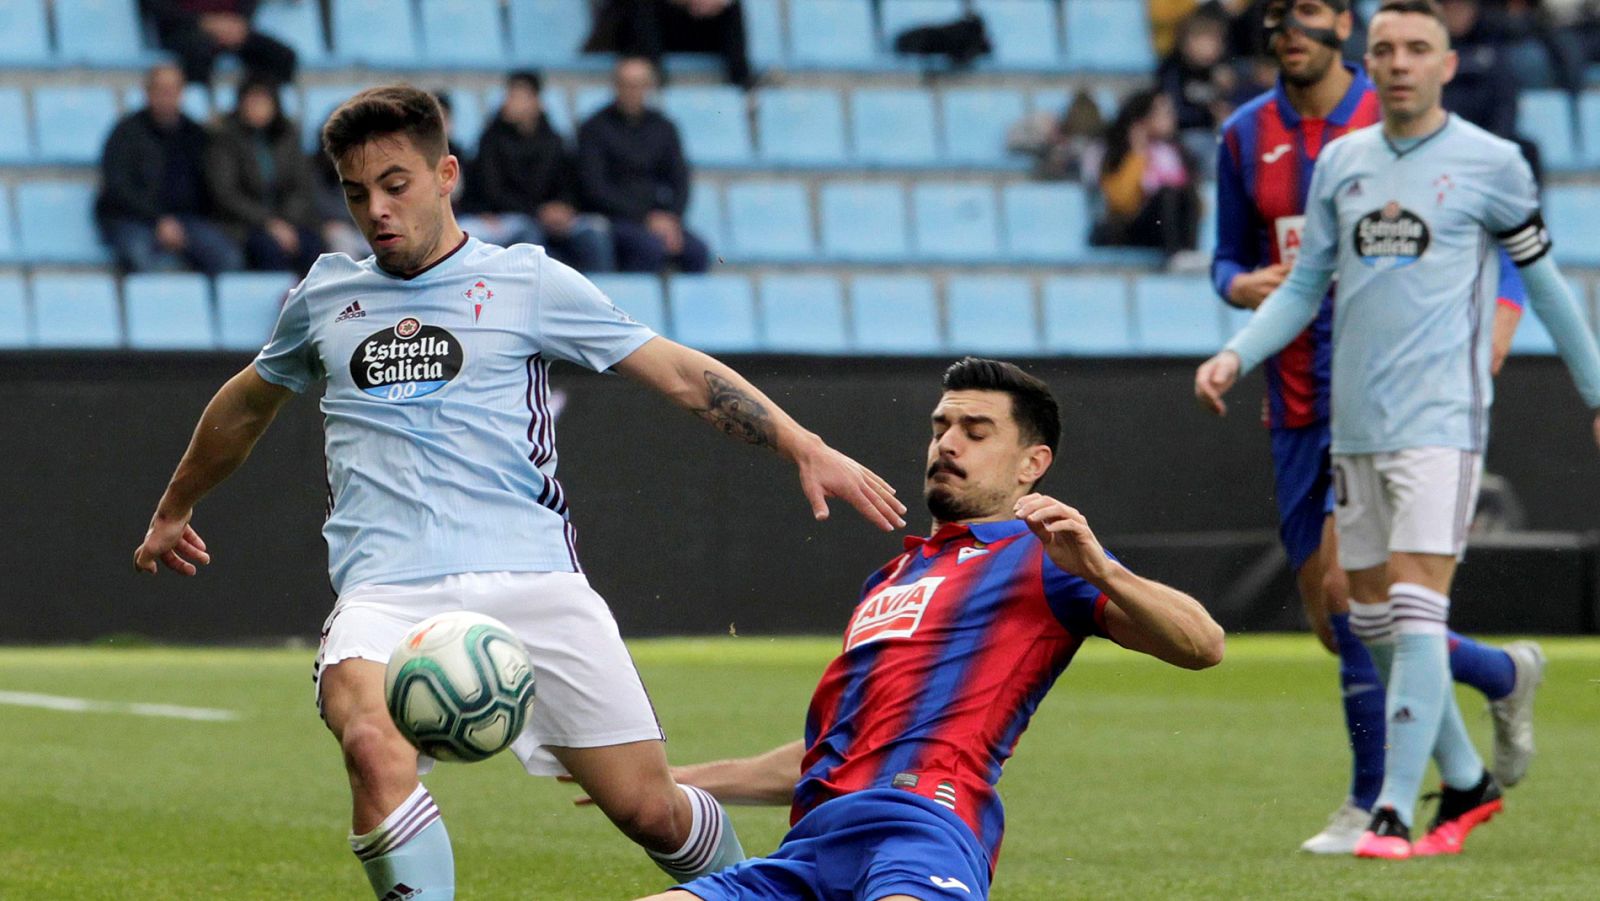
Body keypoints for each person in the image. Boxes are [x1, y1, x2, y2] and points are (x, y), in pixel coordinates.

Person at [131, 84, 907, 901]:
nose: (376, 210)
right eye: (357, 194)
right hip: (387, 589)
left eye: (395, 185)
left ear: (446, 175)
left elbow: (677, 372)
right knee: (370, 741)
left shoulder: (527, 281)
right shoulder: (324, 297)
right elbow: (246, 404)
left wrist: (801, 442)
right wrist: (175, 505)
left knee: (650, 808)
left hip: (535, 579)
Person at [1196, 0, 1600, 859]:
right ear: (1370, 60)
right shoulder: (1340, 162)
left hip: (1442, 418)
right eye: (1390, 49)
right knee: (1361, 617)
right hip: (1349, 422)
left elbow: (1544, 281)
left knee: (1411, 606)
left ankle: (1385, 809)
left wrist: (1596, 390)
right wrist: (1235, 353)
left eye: (1419, 48)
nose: (1402, 62)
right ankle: (1471, 766)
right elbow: (1301, 285)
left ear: (1447, 65)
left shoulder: (1493, 162)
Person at [619, 357, 1225, 901]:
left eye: (975, 432)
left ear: (1032, 464)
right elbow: (839, 748)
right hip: (810, 851)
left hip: (923, 832)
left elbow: (1203, 645)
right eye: (941, 428)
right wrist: (666, 783)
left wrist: (1101, 570)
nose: (948, 443)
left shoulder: (1046, 556)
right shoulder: (890, 579)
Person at [96, 62, 244, 276]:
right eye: (161, 89)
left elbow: (211, 186)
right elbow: (117, 187)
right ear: (148, 92)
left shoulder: (196, 135)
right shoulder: (126, 133)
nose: (167, 95)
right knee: (139, 257)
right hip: (134, 219)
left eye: (173, 89)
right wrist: (158, 220)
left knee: (228, 257)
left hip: (186, 221)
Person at [465, 71, 615, 273]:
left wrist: (564, 207)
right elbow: (493, 192)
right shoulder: (490, 140)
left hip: (552, 217)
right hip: (514, 216)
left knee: (595, 231)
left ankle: (602, 289)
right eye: (510, 96)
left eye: (519, 97)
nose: (511, 103)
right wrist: (538, 212)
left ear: (536, 101)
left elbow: (568, 183)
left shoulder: (554, 141)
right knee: (529, 235)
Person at [578, 57, 710, 274]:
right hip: (614, 218)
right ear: (615, 86)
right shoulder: (594, 128)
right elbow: (595, 188)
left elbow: (680, 179)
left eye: (639, 85)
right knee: (648, 249)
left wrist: (672, 219)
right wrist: (644, 218)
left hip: (658, 218)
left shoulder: (664, 127)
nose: (633, 91)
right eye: (627, 84)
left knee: (697, 251)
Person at [204, 76, 323, 274]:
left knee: (313, 247)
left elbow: (302, 186)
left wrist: (286, 222)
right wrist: (269, 222)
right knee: (270, 250)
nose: (257, 108)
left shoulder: (288, 136)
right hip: (245, 225)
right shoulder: (225, 139)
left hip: (291, 222)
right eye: (252, 101)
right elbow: (226, 193)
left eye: (263, 102)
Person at [1090, 89, 1201, 258]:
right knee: (1167, 193)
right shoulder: (1119, 152)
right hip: (1132, 230)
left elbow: (1198, 206)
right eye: (1164, 113)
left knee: (1183, 191)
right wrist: (1138, 154)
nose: (1172, 118)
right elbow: (1122, 203)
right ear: (1143, 120)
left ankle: (1189, 253)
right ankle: (1175, 255)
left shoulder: (1175, 152)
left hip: (1167, 230)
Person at [587, 0, 755, 89]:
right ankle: (654, 75)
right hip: (632, 36)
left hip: (685, 27)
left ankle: (741, 81)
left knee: (730, 5)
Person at [140, 0, 296, 86]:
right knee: (200, 53)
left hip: (232, 27)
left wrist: (238, 21)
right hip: (183, 29)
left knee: (282, 57)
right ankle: (200, 119)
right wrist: (205, 22)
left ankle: (263, 118)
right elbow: (158, 8)